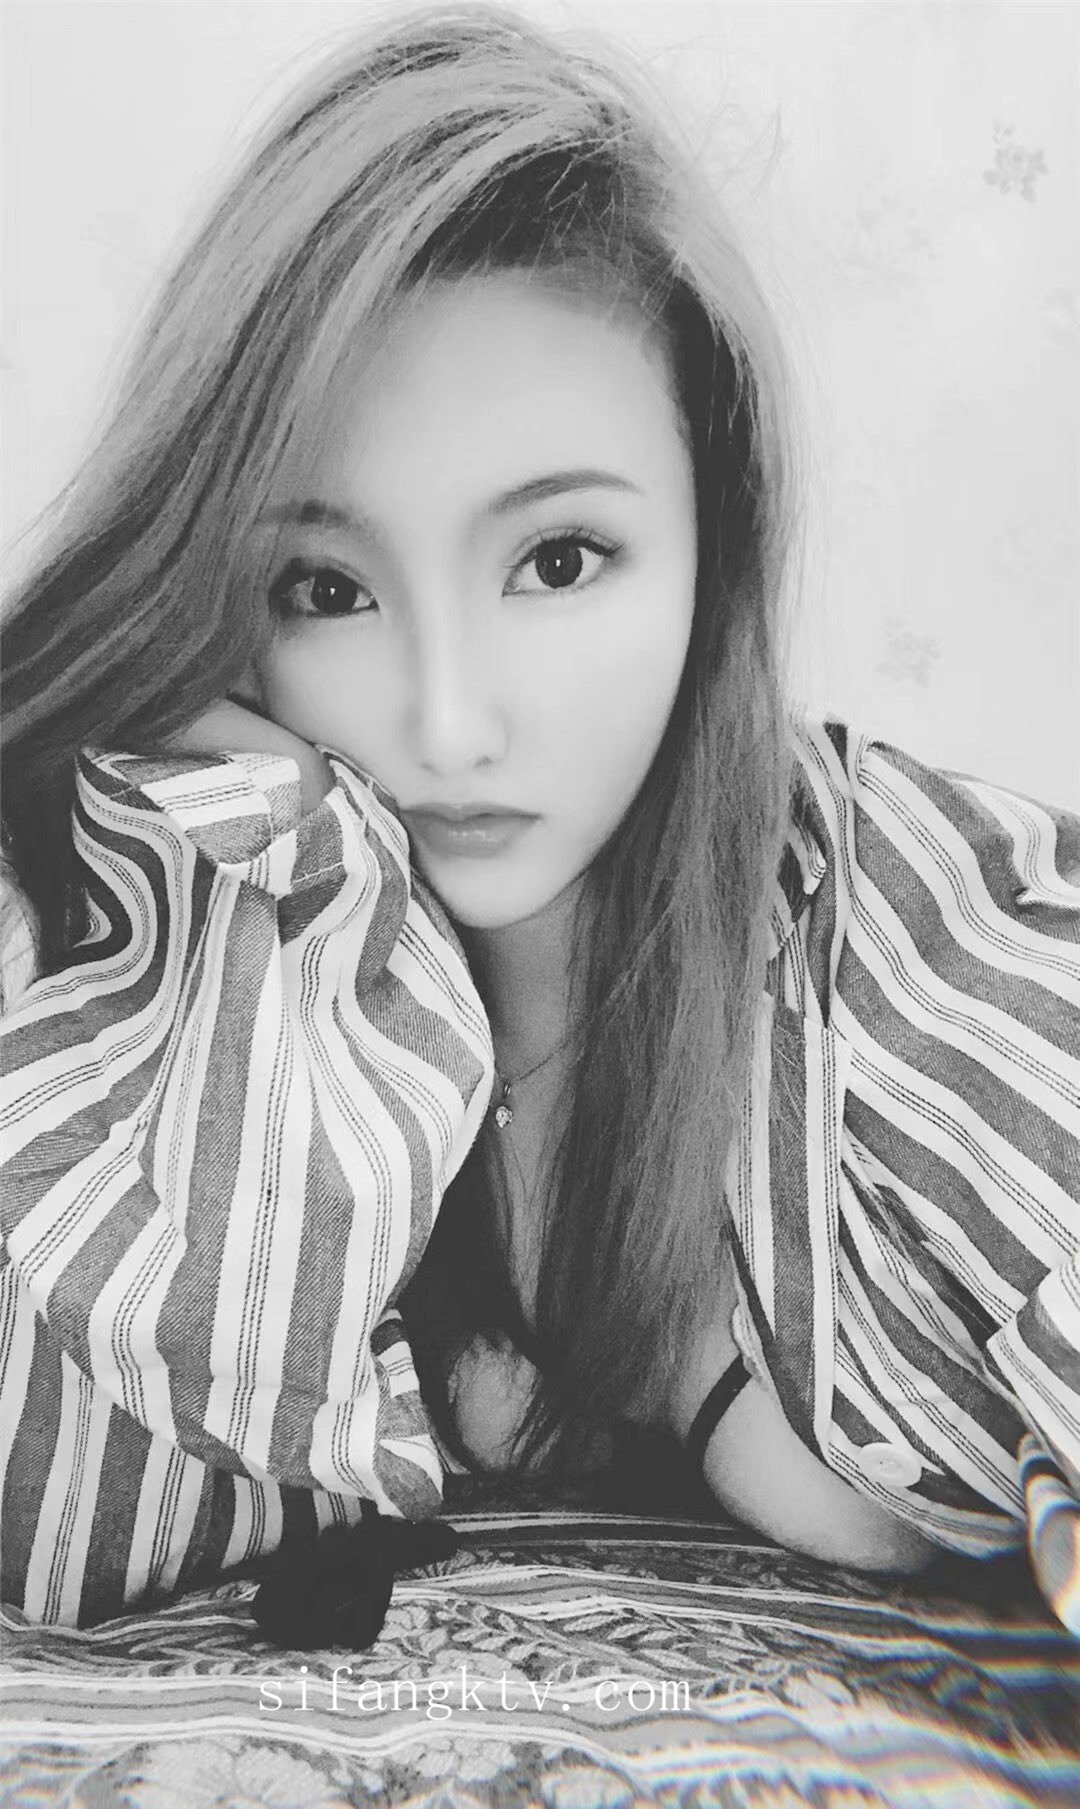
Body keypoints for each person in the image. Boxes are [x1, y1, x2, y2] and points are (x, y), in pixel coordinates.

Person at [2, 3, 1078, 1638]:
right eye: (326, 588)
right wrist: (214, 822)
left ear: (717, 534)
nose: (447, 724)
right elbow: (70, 1521)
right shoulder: (204, 936)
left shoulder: (896, 952)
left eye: (557, 561)